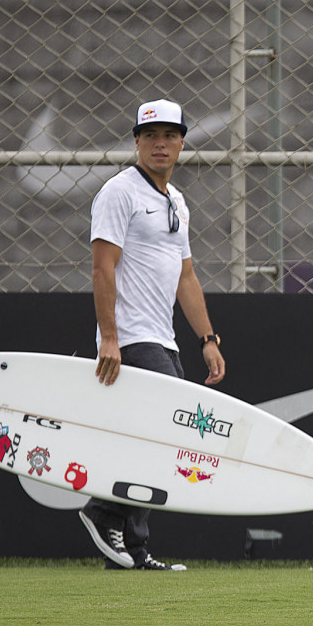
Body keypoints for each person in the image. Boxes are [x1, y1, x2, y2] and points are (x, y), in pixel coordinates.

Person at [77, 98, 226, 571]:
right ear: (136, 142)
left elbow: (186, 277)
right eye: (150, 136)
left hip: (164, 340)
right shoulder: (118, 192)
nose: (160, 144)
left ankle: (133, 550)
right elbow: (103, 268)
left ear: (182, 143)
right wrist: (109, 338)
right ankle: (103, 513)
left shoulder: (175, 200)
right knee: (165, 434)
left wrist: (207, 338)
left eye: (170, 135)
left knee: (153, 438)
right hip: (133, 338)